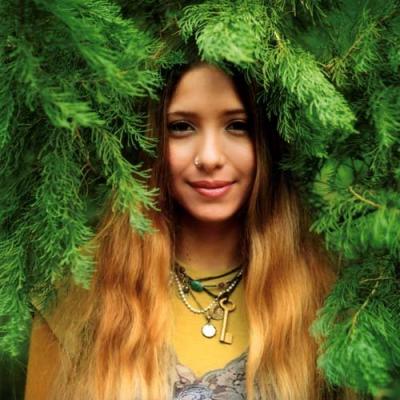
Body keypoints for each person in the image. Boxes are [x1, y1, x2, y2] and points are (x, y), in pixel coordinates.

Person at [25, 61, 345, 400]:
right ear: (151, 142)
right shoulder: (78, 296)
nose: (209, 157)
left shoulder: (327, 303)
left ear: (267, 144)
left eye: (237, 126)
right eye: (181, 127)